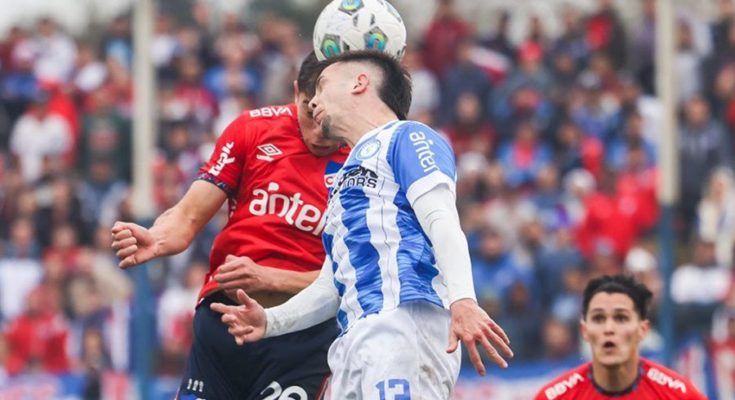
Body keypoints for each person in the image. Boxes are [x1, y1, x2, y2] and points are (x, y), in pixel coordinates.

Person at [210, 50, 513, 399]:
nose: (313, 102)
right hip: (352, 342)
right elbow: (332, 285)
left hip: (402, 326)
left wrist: (463, 300)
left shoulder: (408, 137)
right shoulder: (341, 178)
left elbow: (442, 220)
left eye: (322, 86)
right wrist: (271, 321)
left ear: (359, 83)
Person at [110, 52, 350, 400]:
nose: (319, 130)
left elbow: (352, 277)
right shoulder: (251, 129)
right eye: (309, 111)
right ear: (297, 91)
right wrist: (157, 239)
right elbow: (189, 214)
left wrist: (270, 277)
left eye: (330, 119)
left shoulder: (364, 160)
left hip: (301, 338)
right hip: (223, 323)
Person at [534, 274, 707, 400]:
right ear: (584, 331)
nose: (609, 328)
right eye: (598, 318)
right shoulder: (553, 397)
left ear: (643, 330)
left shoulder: (679, 395)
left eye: (621, 318)